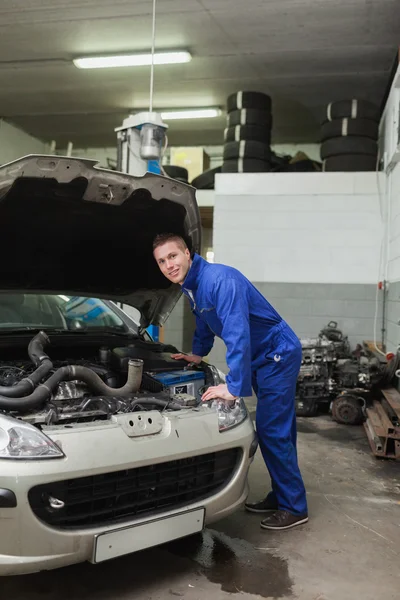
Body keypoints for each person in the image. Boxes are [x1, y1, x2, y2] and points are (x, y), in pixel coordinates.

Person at [152, 233, 308, 530]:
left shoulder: (220, 280)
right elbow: (204, 322)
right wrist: (197, 354)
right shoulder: (192, 286)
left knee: (273, 430)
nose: (169, 265)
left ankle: (294, 507)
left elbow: (238, 335)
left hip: (276, 353)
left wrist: (234, 386)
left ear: (187, 253)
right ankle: (285, 494)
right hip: (263, 356)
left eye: (173, 256)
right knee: (279, 429)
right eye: (162, 261)